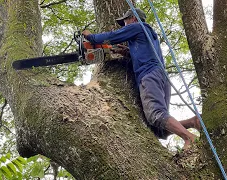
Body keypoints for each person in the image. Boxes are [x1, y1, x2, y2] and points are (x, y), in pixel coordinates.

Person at [83, 8, 200, 149]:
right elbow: (145, 54)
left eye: (125, 22)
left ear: (133, 18)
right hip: (161, 77)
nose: (125, 26)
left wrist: (91, 37)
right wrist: (127, 52)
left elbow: (113, 36)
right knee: (158, 130)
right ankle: (193, 122)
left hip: (149, 75)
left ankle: (188, 137)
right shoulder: (150, 34)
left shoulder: (137, 26)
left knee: (156, 114)